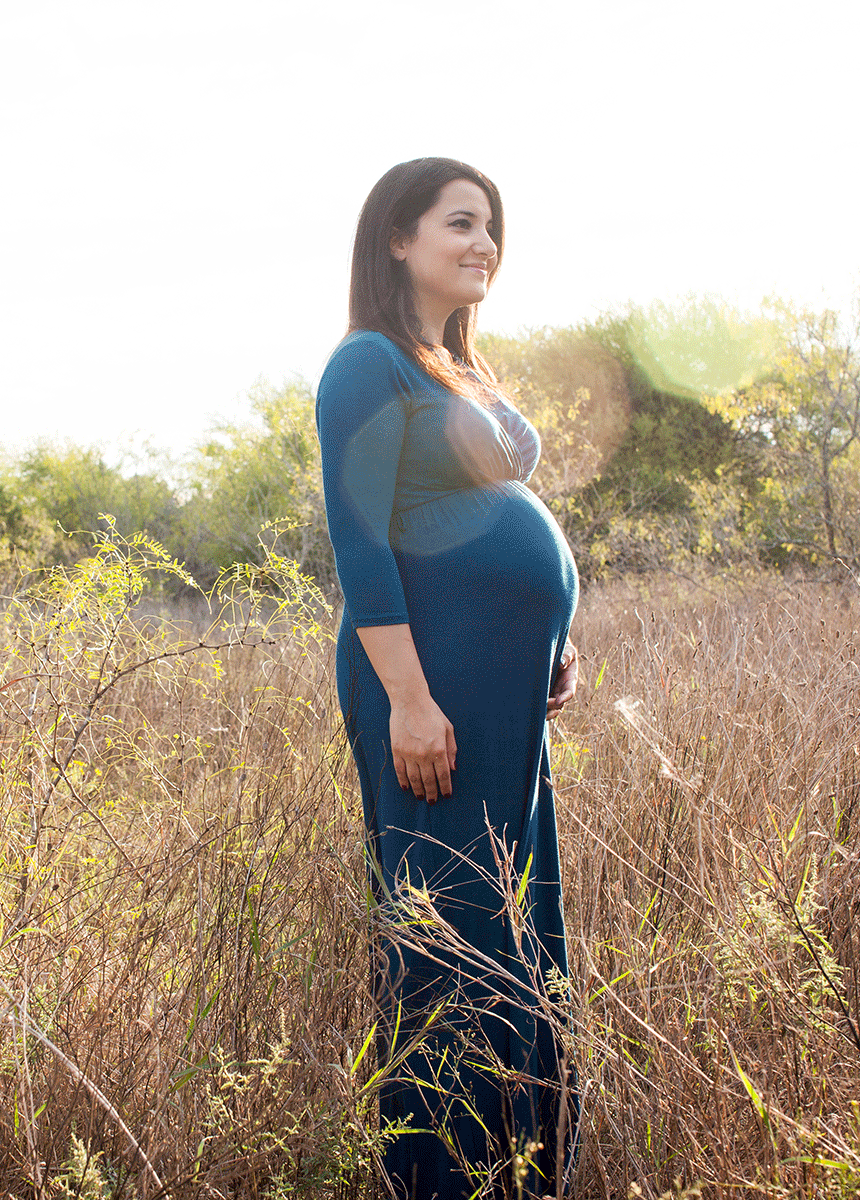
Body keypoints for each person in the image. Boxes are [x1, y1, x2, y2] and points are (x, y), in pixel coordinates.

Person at [316, 158, 581, 1198]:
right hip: (429, 689)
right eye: (461, 223)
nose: (485, 244)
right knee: (450, 931)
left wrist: (559, 635)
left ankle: (521, 1170)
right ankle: (441, 1179)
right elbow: (360, 542)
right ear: (398, 237)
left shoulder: (458, 367)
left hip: (504, 698)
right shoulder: (367, 364)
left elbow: (505, 528)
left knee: (520, 923)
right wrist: (411, 701)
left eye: (492, 227)